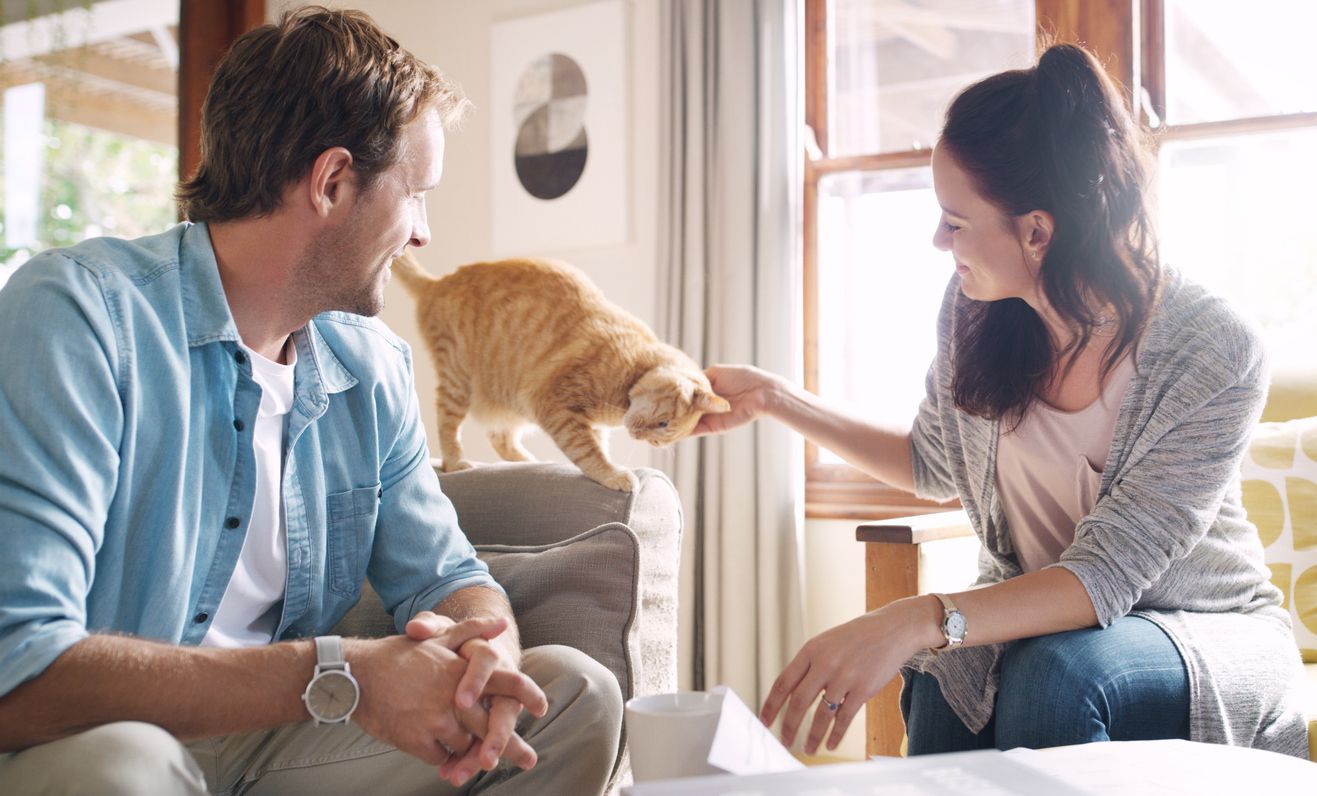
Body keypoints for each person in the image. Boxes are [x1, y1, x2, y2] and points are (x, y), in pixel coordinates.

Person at [0, 7, 621, 794]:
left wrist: (482, 650)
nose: (424, 234)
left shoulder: (372, 367)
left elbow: (444, 575)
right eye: (417, 194)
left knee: (569, 694)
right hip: (86, 740)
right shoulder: (81, 315)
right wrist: (340, 676)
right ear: (331, 183)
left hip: (277, 747)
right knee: (128, 765)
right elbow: (16, 665)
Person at [697, 42, 1310, 759]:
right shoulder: (975, 313)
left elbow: (1102, 575)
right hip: (1059, 625)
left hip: (1205, 626)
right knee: (946, 671)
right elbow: (931, 461)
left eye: (954, 221)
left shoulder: (1210, 347)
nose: (935, 239)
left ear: (1036, 231)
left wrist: (913, 617)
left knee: (1056, 673)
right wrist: (775, 398)